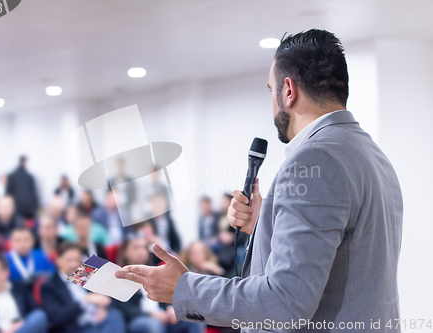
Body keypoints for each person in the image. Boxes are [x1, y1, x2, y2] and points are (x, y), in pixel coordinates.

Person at [115, 29, 403, 332]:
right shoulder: (371, 153)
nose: (272, 101)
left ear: (288, 91)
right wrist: (266, 222)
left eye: (270, 90)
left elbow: (285, 302)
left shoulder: (314, 159)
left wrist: (185, 288)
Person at [113, 236, 204, 333]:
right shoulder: (119, 275)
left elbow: (167, 291)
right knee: (154, 325)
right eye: (136, 247)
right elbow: (122, 307)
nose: (141, 251)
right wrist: (152, 315)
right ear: (125, 252)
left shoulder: (155, 270)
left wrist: (171, 308)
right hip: (139, 318)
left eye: (144, 247)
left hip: (163, 314)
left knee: (195, 318)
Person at [40, 242, 125, 333]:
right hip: (76, 327)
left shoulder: (84, 274)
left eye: (77, 260)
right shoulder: (50, 285)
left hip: (98, 320)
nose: (73, 264)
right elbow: (57, 317)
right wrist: (84, 301)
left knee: (115, 315)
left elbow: (110, 296)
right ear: (58, 260)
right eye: (68, 260)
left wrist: (102, 308)